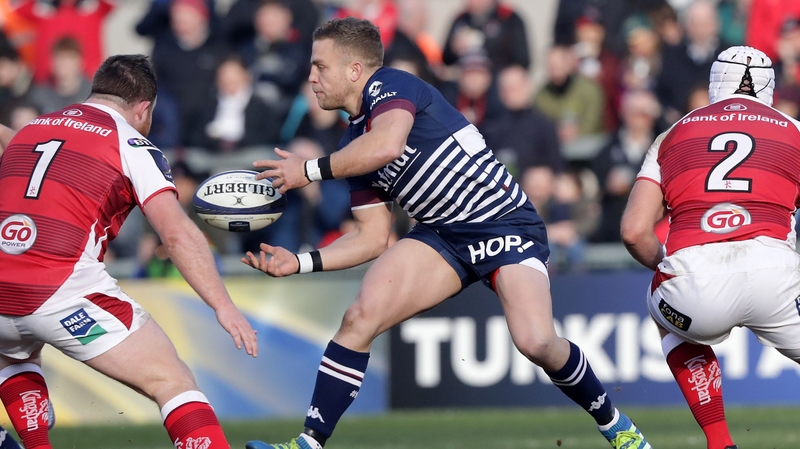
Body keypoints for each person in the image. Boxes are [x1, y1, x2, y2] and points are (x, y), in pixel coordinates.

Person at [243, 17, 652, 449]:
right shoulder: (351, 144)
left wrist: (308, 170)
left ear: (355, 70)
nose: (311, 77)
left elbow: (388, 146)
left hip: (501, 221)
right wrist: (302, 261)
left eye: (320, 66)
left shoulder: (392, 84)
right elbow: (372, 237)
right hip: (441, 235)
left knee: (536, 341)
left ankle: (615, 424)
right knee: (359, 317)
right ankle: (308, 444)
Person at [0, 54, 257, 449]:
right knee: (172, 380)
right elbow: (177, 235)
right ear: (144, 108)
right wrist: (223, 304)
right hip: (60, 291)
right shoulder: (132, 143)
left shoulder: (33, 127)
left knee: (14, 355)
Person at [620, 45, 796, 449]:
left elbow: (633, 231)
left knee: (662, 307)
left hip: (696, 284)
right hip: (777, 277)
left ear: (716, 81)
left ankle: (720, 442)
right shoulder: (794, 129)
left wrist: (672, 268)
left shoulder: (674, 133)